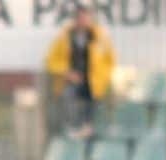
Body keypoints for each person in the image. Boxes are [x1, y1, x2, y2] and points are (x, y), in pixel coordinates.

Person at [45, 6, 115, 139]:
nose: (83, 21)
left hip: (94, 82)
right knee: (68, 96)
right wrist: (67, 73)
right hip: (71, 81)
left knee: (95, 101)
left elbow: (109, 60)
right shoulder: (65, 36)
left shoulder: (99, 36)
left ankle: (88, 127)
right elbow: (51, 60)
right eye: (80, 17)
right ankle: (73, 127)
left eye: (86, 17)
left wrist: (101, 77)